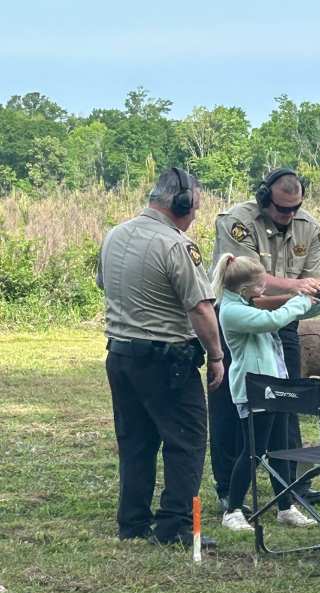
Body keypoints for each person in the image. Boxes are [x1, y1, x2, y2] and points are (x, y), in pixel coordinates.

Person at [96, 167, 224, 547]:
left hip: (120, 353)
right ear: (181, 204)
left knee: (136, 441)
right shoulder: (175, 245)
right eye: (195, 208)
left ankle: (133, 522)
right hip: (167, 358)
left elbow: (104, 283)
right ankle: (175, 526)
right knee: (187, 441)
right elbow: (200, 309)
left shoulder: (114, 235)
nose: (195, 215)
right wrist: (216, 355)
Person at [212, 253, 320, 532]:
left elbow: (299, 311)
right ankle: (233, 510)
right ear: (246, 289)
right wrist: (300, 296)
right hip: (255, 389)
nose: (264, 291)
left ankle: (285, 507)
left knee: (280, 448)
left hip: (274, 385)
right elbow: (275, 320)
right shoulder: (232, 311)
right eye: (260, 286)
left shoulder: (247, 302)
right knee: (254, 451)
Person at [209, 168, 320, 511]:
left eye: (295, 209)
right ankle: (228, 491)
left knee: (286, 401)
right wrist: (296, 291)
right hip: (240, 319)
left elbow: (314, 281)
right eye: (281, 209)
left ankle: (289, 487)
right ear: (264, 199)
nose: (289, 216)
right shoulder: (237, 221)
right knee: (233, 408)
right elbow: (244, 284)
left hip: (283, 322)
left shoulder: (309, 225)